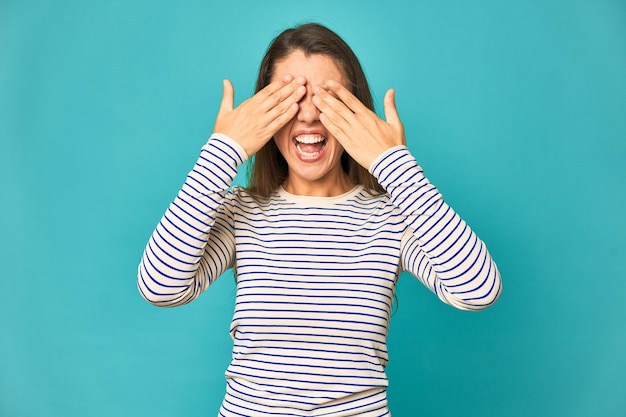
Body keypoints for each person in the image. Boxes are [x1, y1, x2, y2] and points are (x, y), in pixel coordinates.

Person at [138, 22, 501, 417]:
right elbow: (160, 287)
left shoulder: (391, 218)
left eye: (329, 99)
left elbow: (477, 290)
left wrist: (394, 163)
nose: (309, 115)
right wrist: (223, 150)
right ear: (265, 113)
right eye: (291, 98)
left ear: (357, 112)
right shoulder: (242, 212)